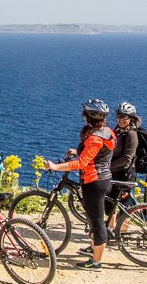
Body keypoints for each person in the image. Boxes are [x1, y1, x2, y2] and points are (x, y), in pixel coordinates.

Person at [43, 98, 116, 270]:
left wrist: (55, 166)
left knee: (97, 222)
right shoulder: (107, 132)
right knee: (94, 219)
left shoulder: (95, 138)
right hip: (104, 178)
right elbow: (99, 154)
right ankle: (95, 248)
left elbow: (81, 163)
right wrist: (77, 151)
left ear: (88, 117)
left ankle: (96, 262)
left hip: (93, 182)